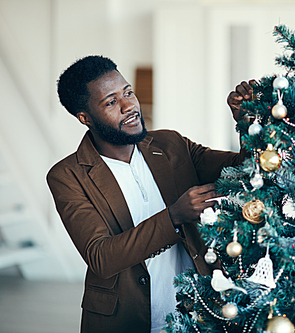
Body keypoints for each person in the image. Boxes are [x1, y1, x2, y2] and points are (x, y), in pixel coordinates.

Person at [47, 55, 253, 333]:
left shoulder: (171, 144)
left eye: (128, 92)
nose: (129, 105)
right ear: (85, 118)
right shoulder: (68, 176)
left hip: (198, 316)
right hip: (126, 320)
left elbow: (242, 171)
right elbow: (101, 257)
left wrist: (247, 124)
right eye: (111, 102)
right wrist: (174, 216)